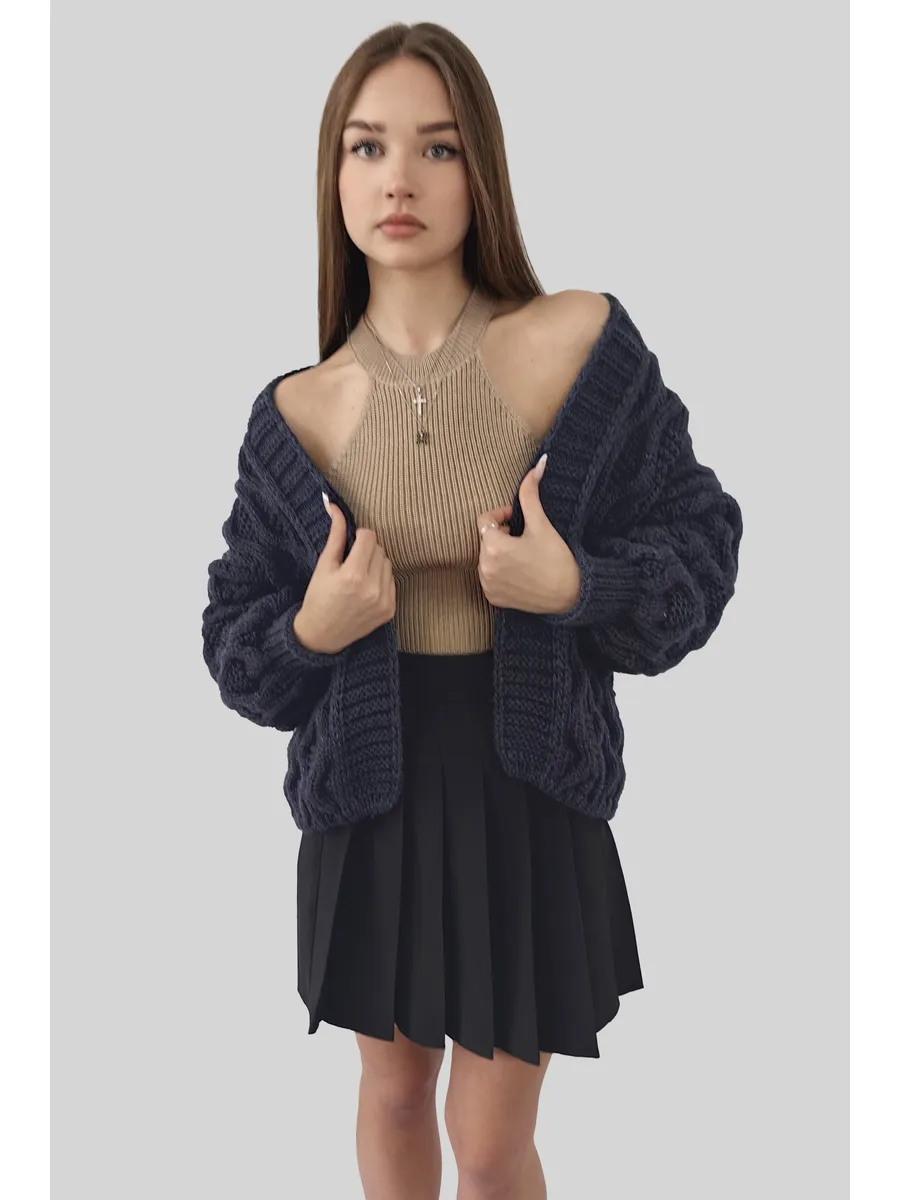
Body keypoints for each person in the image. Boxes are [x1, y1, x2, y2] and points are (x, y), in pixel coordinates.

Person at [201, 20, 743, 1200]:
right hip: (369, 792)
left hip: (525, 784)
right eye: (367, 147)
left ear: (481, 169)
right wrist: (313, 627)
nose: (398, 178)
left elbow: (702, 538)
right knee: (394, 1096)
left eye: (436, 148)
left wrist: (576, 586)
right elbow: (236, 644)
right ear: (333, 175)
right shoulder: (295, 412)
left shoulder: (578, 343)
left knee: (490, 1144)